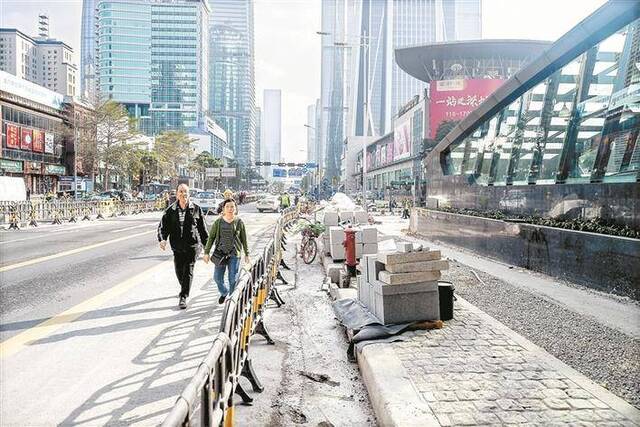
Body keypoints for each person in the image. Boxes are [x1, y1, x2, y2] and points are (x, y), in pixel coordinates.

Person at [158, 184, 208, 309]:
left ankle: (183, 296)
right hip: (177, 246)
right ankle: (184, 287)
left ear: (189, 193)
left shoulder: (196, 209)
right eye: (180, 191)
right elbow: (163, 227)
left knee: (188, 269)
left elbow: (203, 229)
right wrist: (162, 239)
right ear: (177, 193)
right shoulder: (171, 210)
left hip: (193, 245)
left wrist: (207, 247)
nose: (183, 194)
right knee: (179, 269)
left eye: (185, 191)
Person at [203, 198, 250, 304]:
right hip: (220, 254)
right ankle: (224, 292)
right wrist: (206, 252)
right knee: (217, 278)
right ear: (223, 209)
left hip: (234, 255)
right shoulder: (218, 222)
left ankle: (231, 300)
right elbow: (211, 238)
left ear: (235, 208)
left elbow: (244, 239)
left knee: (232, 279)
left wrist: (247, 254)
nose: (230, 209)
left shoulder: (239, 222)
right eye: (227, 207)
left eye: (232, 206)